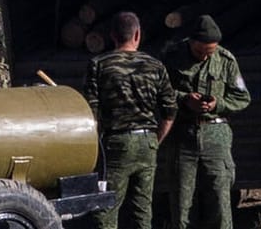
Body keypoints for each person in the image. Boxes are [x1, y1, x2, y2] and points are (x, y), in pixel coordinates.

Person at [83, 12, 177, 229]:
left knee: (106, 210)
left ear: (112, 36)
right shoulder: (155, 65)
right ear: (138, 35)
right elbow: (170, 110)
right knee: (142, 212)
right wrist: (156, 140)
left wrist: (98, 149)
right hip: (148, 143)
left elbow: (92, 112)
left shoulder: (99, 64)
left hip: (116, 144)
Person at [161, 15, 250, 229]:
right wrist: (184, 99)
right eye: (200, 51)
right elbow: (158, 91)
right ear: (191, 42)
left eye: (209, 52)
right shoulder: (172, 57)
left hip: (215, 135)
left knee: (219, 199)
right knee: (182, 204)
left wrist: (217, 104)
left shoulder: (226, 60)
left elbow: (242, 97)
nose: (204, 56)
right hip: (183, 135)